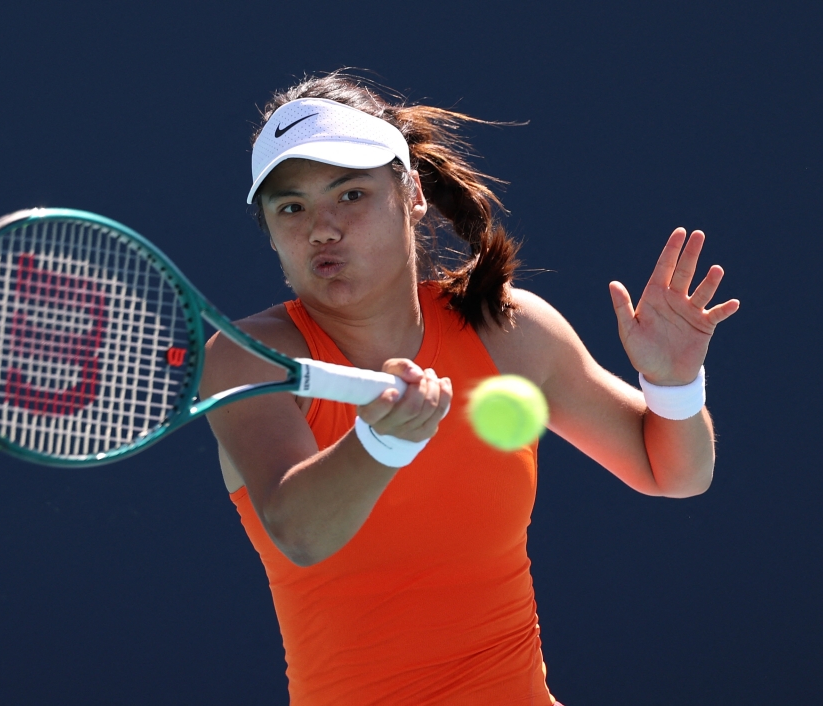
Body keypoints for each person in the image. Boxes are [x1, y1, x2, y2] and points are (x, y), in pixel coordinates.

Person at [201, 72, 739, 706]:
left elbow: (673, 471)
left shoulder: (512, 332)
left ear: (413, 195)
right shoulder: (248, 359)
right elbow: (301, 531)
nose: (322, 228)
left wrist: (673, 385)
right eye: (291, 207)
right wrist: (381, 444)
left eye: (350, 194)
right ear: (268, 227)